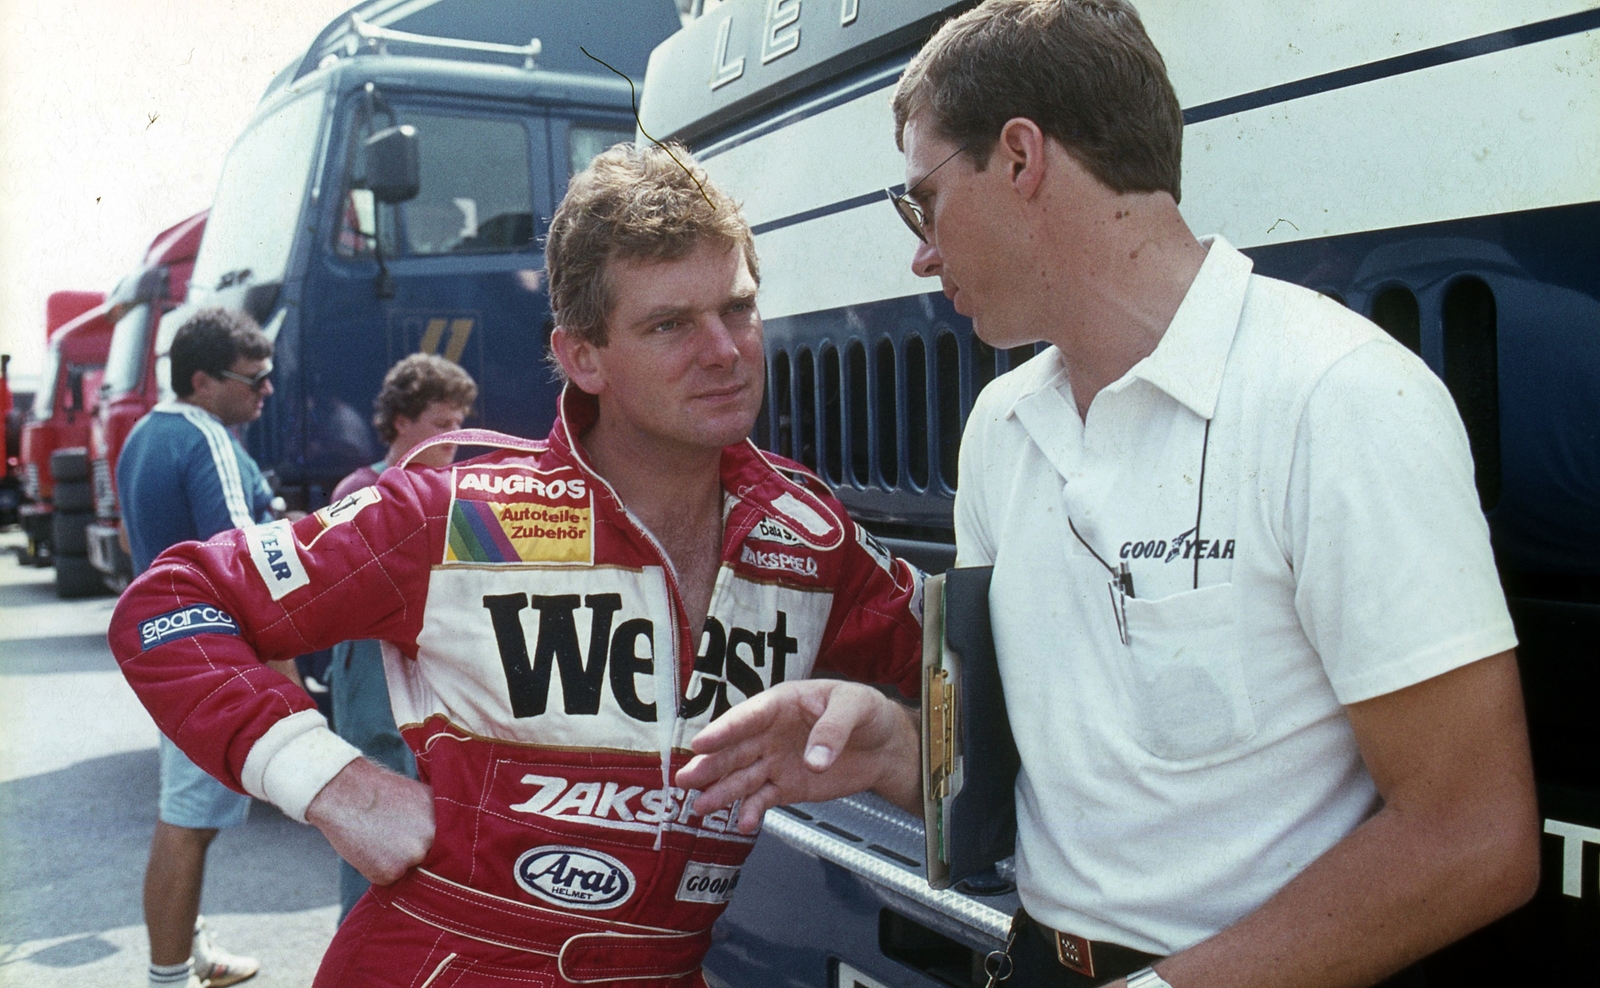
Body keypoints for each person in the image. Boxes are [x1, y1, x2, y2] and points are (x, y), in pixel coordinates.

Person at [678, 3, 1541, 987]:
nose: (918, 253)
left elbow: (1473, 836)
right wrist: (892, 751)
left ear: (1019, 158)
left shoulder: (1338, 398)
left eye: (922, 202)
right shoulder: (1002, 432)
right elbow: (1046, 784)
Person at [107, 142, 925, 987]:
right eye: (671, 324)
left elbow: (963, 677)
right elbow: (171, 604)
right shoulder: (463, 514)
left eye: (739, 309)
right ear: (582, 357)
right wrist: (331, 783)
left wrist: (900, 738)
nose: (724, 350)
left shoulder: (805, 532)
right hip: (446, 961)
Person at [117, 307, 297, 988]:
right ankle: (169, 978)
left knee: (186, 812)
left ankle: (187, 951)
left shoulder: (145, 432)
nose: (267, 390)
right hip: (209, 659)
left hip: (167, 652)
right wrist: (287, 678)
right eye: (254, 379)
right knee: (188, 821)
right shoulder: (205, 436)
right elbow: (247, 561)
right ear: (202, 380)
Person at [325, 353, 477, 921]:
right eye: (442, 423)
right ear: (400, 423)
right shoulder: (362, 489)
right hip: (373, 658)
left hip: (435, 660)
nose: (455, 436)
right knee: (374, 798)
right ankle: (359, 947)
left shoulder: (451, 490)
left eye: (461, 422)